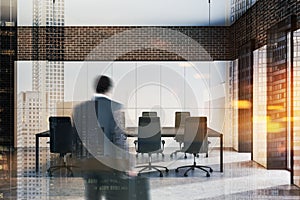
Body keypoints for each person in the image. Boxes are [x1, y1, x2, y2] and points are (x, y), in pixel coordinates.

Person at [73, 75, 149, 200]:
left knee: (92, 196)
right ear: (109, 89)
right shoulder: (115, 107)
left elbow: (75, 138)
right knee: (113, 195)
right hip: (109, 164)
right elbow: (118, 138)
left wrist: (80, 160)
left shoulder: (79, 109)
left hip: (88, 163)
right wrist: (128, 164)